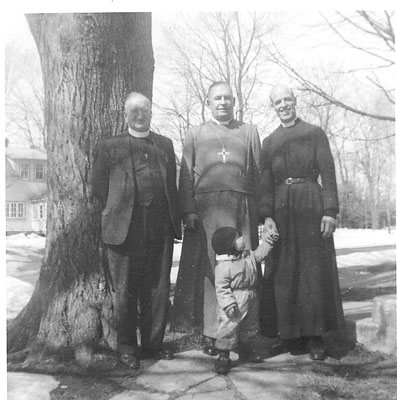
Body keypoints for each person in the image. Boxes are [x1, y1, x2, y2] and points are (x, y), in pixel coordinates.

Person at [172, 81, 276, 355]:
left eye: (228, 98)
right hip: (206, 209)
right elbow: (185, 175)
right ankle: (212, 332)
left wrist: (259, 211)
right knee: (211, 268)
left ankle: (246, 332)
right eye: (217, 98)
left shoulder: (249, 131)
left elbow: (259, 173)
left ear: (234, 102)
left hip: (242, 206)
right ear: (208, 102)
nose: (223, 103)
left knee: (245, 266)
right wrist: (189, 210)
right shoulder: (195, 133)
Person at [92, 92, 181, 369]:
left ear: (152, 113)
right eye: (134, 111)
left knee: (157, 287)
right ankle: (127, 348)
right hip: (124, 229)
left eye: (145, 110)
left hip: (159, 227)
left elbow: (172, 187)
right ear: (126, 115)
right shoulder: (111, 146)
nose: (140, 115)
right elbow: (98, 187)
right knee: (126, 290)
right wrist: (118, 210)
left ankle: (154, 344)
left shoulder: (164, 145)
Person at [260, 84, 344, 361]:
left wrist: (330, 210)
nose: (283, 105)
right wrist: (267, 215)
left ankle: (315, 337)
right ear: (272, 107)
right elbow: (265, 182)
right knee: (283, 271)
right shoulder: (269, 142)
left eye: (287, 100)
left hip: (310, 204)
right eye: (277, 102)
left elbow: (328, 174)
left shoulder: (314, 133)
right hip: (281, 208)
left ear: (295, 101)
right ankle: (287, 336)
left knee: (311, 271)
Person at [211, 226, 279, 375]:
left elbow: (261, 253)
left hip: (251, 296)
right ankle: (223, 355)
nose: (242, 239)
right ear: (229, 244)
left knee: (250, 326)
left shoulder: (248, 256)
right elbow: (221, 289)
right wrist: (229, 305)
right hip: (235, 301)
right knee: (229, 328)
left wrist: (269, 240)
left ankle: (246, 351)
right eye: (238, 237)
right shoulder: (223, 267)